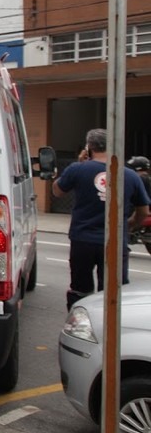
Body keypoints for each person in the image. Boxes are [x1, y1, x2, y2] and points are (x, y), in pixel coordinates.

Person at [52, 129, 151, 310]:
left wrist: (80, 163)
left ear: (88, 147)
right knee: (113, 290)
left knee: (80, 289)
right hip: (115, 241)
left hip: (83, 240)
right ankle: (110, 329)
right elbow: (143, 211)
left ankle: (80, 325)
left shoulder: (77, 169)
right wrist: (129, 224)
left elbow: (57, 191)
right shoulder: (129, 175)